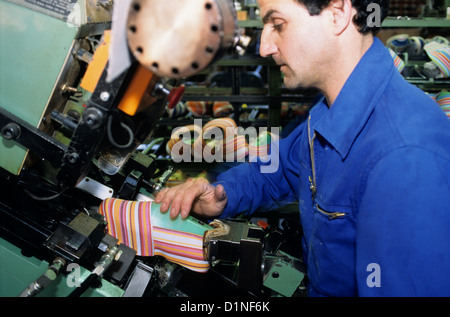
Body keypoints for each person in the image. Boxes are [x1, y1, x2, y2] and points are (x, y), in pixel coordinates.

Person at [155, 0, 450, 296]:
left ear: (337, 15)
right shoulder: (330, 109)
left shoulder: (405, 156)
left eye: (278, 25)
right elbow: (282, 168)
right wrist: (223, 193)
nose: (264, 47)